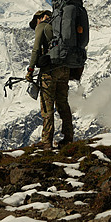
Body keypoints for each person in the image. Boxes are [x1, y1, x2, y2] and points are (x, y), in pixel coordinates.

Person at [27, 9, 74, 149]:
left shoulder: (42, 26)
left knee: (47, 107)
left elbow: (36, 49)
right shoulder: (60, 27)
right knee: (63, 104)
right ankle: (68, 138)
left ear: (39, 18)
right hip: (65, 69)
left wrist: (30, 70)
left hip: (50, 71)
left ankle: (46, 141)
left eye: (35, 22)